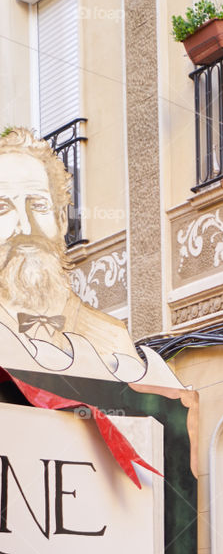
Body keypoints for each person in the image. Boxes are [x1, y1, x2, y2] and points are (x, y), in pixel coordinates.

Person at [0, 127, 180, 386]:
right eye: (3, 208)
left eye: (38, 205)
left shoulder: (113, 338)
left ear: (62, 220)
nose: (26, 228)